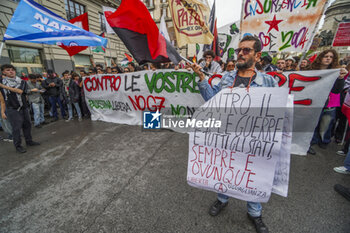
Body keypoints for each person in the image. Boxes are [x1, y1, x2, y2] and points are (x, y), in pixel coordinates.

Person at [190, 35, 277, 233]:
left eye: (246, 50)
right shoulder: (227, 78)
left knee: (252, 174)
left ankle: (254, 213)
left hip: (254, 139)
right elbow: (212, 101)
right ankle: (222, 199)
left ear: (257, 55)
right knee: (226, 169)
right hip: (227, 136)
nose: (240, 53)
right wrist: (202, 79)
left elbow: (276, 110)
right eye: (239, 50)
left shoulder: (268, 81)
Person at [309, 49, 347, 154]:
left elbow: (336, 90)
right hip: (309, 100)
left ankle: (316, 142)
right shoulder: (311, 69)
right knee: (309, 123)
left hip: (323, 101)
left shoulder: (335, 72)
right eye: (326, 56)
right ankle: (308, 142)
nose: (328, 58)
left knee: (321, 123)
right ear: (320, 57)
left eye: (331, 57)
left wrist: (340, 78)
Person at [0, 64, 40, 153]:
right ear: (3, 72)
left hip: (23, 107)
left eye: (12, 69)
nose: (11, 71)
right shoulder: (2, 81)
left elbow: (20, 91)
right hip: (12, 109)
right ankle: (18, 146)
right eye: (7, 70)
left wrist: (4, 86)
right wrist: (3, 112)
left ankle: (29, 141)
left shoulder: (21, 82)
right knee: (16, 128)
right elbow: (2, 100)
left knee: (27, 125)